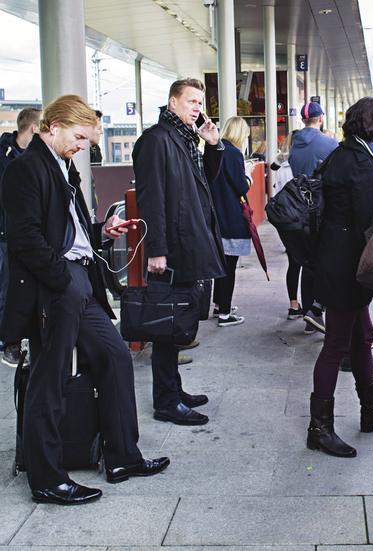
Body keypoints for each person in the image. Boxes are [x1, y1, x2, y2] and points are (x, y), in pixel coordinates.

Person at [0, 94, 169, 505]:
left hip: (77, 280)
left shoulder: (62, 166)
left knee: (115, 356)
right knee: (49, 380)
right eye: (78, 137)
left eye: (87, 141)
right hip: (57, 286)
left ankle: (123, 455)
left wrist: (100, 232)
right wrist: (64, 280)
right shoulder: (25, 169)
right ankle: (46, 478)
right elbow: (25, 239)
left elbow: (65, 231)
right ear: (52, 127)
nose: (82, 146)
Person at [305, 97, 373, 458]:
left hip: (337, 257)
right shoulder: (361, 160)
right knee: (337, 344)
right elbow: (366, 219)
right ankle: (319, 428)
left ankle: (372, 410)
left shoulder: (347, 153)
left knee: (362, 338)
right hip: (346, 264)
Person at [133, 78, 225, 426]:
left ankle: (173, 389)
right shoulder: (156, 141)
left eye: (200, 102)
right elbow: (151, 199)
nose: (197, 108)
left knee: (176, 322)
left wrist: (213, 145)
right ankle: (166, 400)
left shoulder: (186, 139)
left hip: (187, 242)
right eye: (190, 102)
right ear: (172, 103)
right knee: (166, 325)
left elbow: (208, 184)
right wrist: (156, 249)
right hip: (171, 248)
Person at [0, 107, 42, 367]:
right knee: (8, 288)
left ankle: (31, 338)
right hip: (10, 237)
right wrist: (6, 226)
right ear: (33, 128)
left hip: (34, 234)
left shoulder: (37, 155)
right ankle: (10, 344)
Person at [287, 102, 337, 332]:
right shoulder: (329, 143)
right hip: (320, 206)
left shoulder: (294, 142)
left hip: (298, 207)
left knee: (302, 261)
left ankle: (304, 308)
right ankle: (315, 311)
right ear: (320, 117)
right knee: (320, 262)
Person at [210, 116, 251, 327]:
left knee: (221, 265)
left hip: (216, 216)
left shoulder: (217, 150)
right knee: (229, 267)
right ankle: (225, 313)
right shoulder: (234, 154)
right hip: (231, 216)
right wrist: (248, 178)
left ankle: (219, 304)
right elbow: (241, 187)